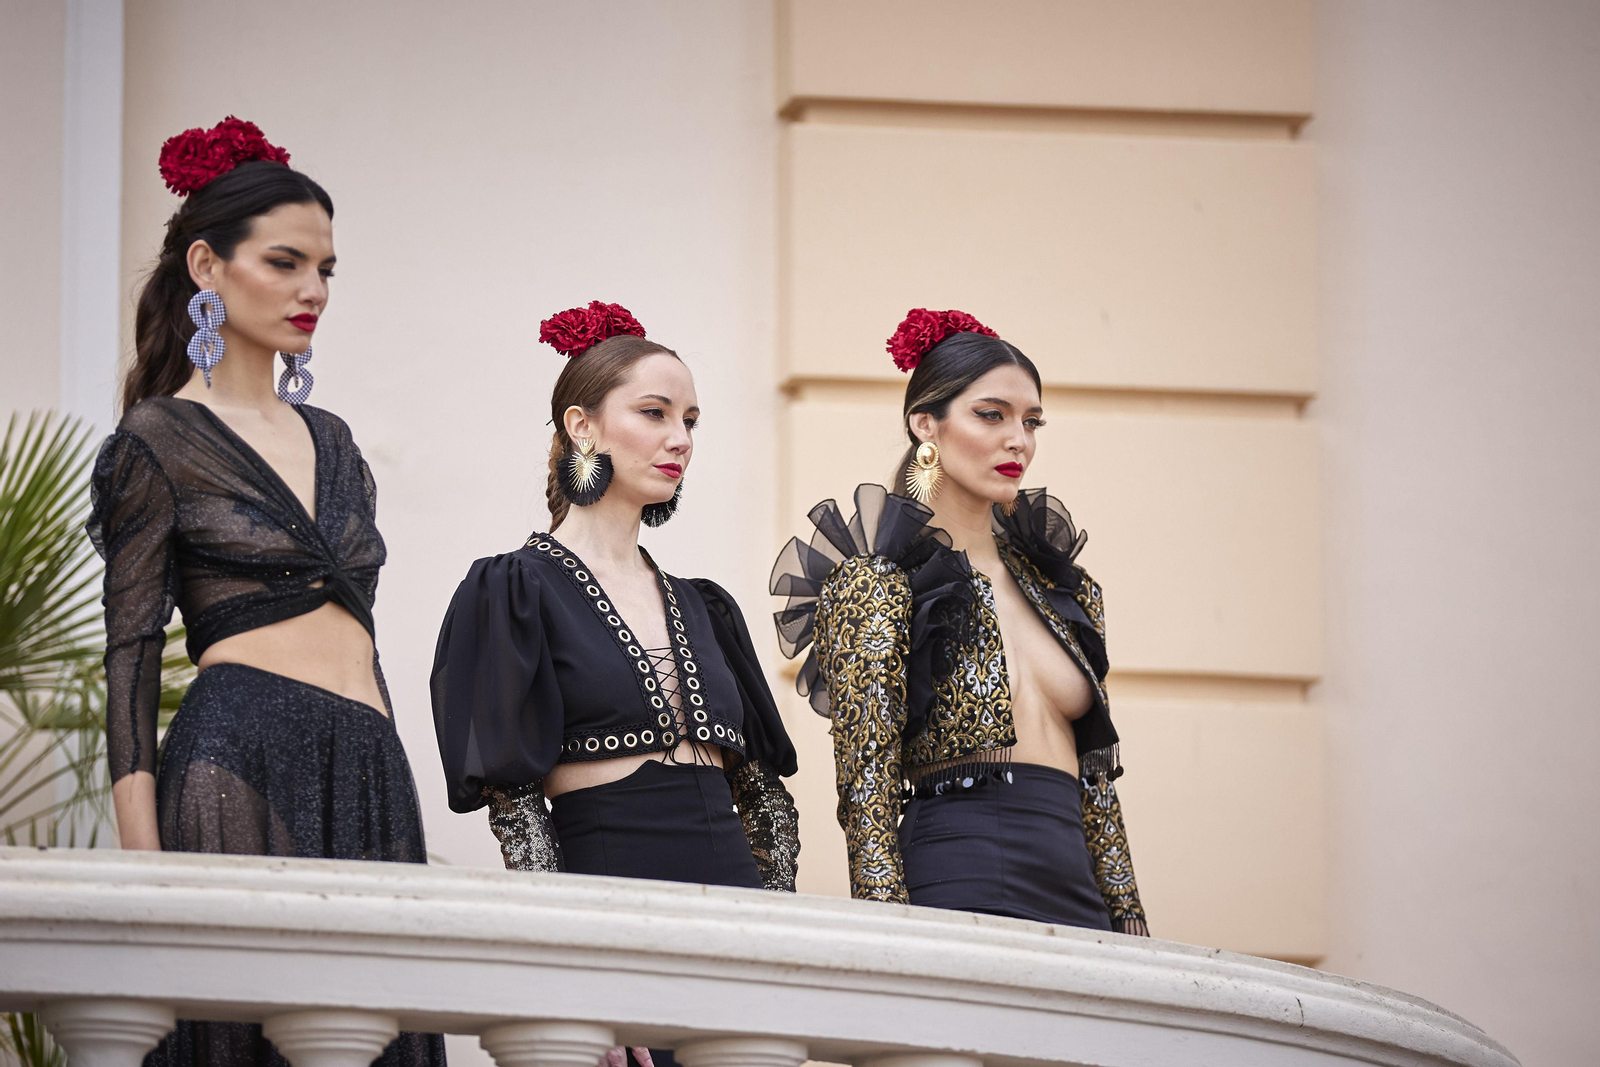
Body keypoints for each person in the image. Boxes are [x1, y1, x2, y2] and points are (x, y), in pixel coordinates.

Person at [87, 117, 444, 1067]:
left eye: (326, 269)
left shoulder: (333, 439)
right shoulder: (156, 440)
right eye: (285, 263)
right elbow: (128, 658)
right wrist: (143, 878)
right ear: (207, 264)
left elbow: (359, 630)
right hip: (237, 755)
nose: (312, 291)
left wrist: (394, 764)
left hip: (369, 762)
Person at [770, 308, 1149, 934]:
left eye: (1032, 422)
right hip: (960, 876)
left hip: (1077, 888)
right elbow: (866, 788)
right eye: (991, 414)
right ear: (927, 423)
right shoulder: (876, 586)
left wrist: (1129, 919)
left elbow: (1098, 783)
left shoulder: (1062, 585)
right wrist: (889, 934)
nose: (1018, 440)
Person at [430, 300, 800, 893]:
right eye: (654, 413)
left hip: (738, 907)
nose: (679, 439)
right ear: (582, 426)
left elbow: (765, 804)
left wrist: (777, 924)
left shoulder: (707, 608)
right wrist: (558, 926)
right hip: (608, 895)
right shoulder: (512, 591)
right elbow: (516, 809)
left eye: (691, 421)